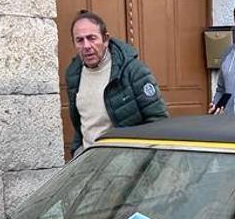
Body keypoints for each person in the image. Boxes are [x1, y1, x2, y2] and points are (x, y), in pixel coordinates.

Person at [65, 11, 167, 155]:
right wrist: (77, 151)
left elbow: (158, 121)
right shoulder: (73, 74)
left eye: (92, 38)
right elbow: (81, 123)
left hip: (126, 163)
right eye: (80, 40)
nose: (86, 46)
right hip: (90, 164)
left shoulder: (133, 71)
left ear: (105, 39)